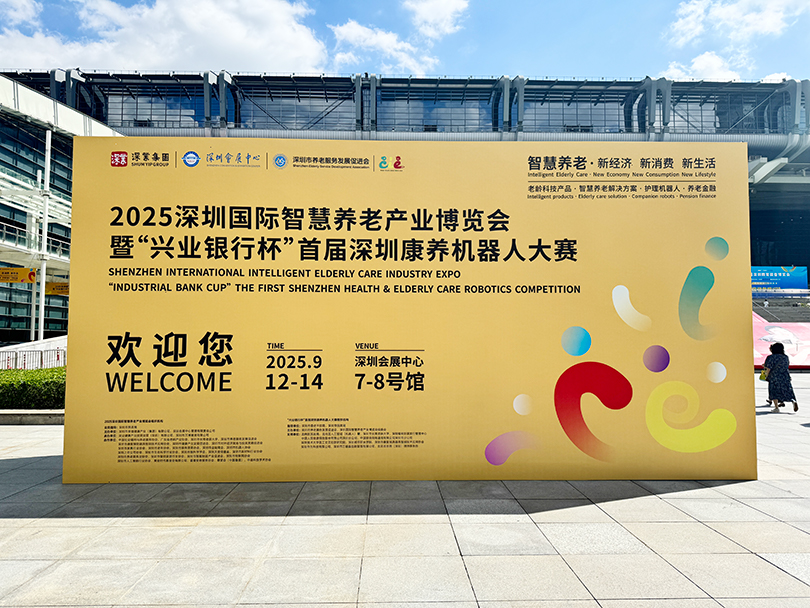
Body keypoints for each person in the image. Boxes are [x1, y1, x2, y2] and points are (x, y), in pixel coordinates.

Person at [763, 342, 798, 412]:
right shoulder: (785, 357)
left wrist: (766, 376)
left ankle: (776, 408)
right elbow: (786, 367)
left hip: (774, 376)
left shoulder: (771, 357)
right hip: (785, 375)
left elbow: (768, 368)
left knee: (774, 391)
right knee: (787, 390)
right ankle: (793, 401)